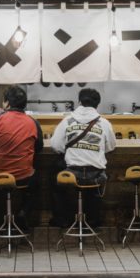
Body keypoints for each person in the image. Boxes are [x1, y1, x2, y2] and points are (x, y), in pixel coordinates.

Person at [0, 85, 43, 238]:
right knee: (36, 182)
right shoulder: (33, 123)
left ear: (6, 103)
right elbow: (39, 148)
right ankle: (23, 213)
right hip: (23, 176)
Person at [50, 88, 116, 228]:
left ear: (79, 102)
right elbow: (111, 147)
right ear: (97, 105)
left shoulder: (67, 121)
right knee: (95, 189)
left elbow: (56, 146)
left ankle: (63, 220)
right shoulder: (104, 123)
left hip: (72, 174)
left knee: (56, 180)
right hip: (96, 175)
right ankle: (92, 222)